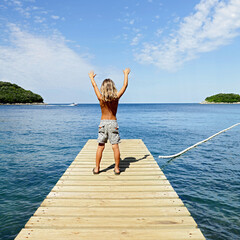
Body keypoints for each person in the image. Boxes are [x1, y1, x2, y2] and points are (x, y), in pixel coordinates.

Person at [89, 68, 130, 175]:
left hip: (102, 123)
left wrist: (91, 78)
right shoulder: (116, 98)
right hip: (113, 123)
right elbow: (125, 86)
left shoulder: (100, 98)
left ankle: (97, 168)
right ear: (113, 87)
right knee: (115, 146)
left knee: (100, 146)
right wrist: (125, 74)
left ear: (103, 88)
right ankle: (116, 168)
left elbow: (94, 86)